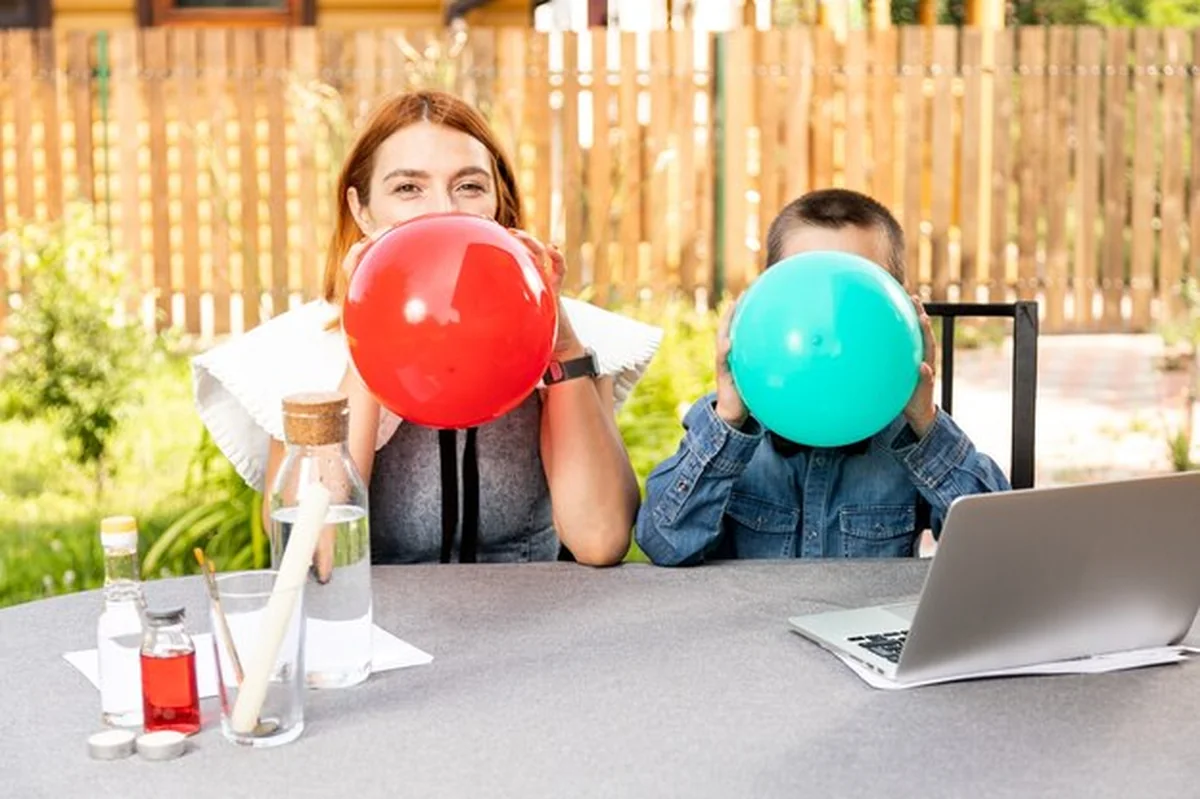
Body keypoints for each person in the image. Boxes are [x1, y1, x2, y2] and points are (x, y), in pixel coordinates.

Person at [193, 90, 661, 567]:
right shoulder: (303, 353)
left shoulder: (573, 340)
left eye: (470, 187)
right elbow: (313, 560)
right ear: (362, 211)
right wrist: (372, 335)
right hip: (381, 633)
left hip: (534, 627)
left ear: (499, 204)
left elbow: (601, 539)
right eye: (408, 189)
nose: (444, 209)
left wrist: (559, 344)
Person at [634, 188, 1010, 566]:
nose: (827, 322)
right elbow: (665, 542)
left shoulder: (910, 434)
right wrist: (729, 420)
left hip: (863, 620)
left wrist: (926, 425)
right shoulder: (728, 425)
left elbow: (1001, 550)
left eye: (855, 292)